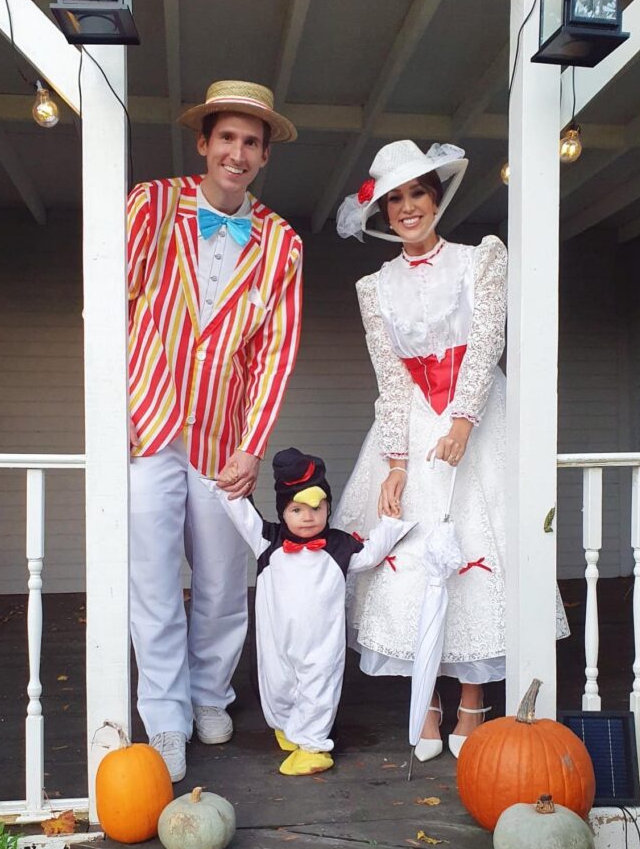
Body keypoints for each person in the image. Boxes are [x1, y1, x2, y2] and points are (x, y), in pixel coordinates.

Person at [333, 140, 568, 761]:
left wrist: (463, 420)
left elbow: (488, 338)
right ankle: (427, 700)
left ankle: (471, 700)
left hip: (480, 414)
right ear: (383, 213)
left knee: (477, 545)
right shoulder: (374, 286)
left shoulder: (478, 260)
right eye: (396, 200)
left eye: (418, 193)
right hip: (413, 418)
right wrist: (396, 461)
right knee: (411, 551)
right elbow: (389, 378)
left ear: (436, 198)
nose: (408, 208)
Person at [126, 81, 303, 782]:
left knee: (226, 579)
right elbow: (116, 297)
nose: (236, 152)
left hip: (221, 438)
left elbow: (274, 353)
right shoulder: (152, 205)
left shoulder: (281, 243)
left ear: (263, 156)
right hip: (150, 424)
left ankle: (209, 694)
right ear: (203, 142)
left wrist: (250, 446)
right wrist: (125, 399)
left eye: (250, 142)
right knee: (152, 579)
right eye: (225, 137)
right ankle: (165, 713)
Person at [207, 448, 413, 775]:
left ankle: (315, 745)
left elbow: (370, 555)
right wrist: (229, 483)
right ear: (282, 511)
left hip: (321, 644)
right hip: (277, 640)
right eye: (297, 509)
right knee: (276, 684)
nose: (308, 516)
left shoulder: (339, 546)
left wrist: (390, 524)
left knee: (318, 686)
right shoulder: (267, 542)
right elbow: (240, 512)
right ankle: (288, 727)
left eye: (318, 508)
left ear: (328, 508)